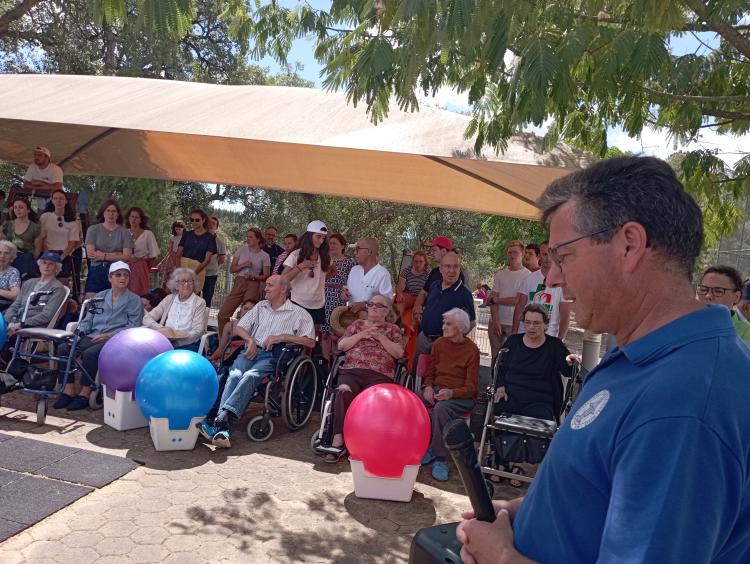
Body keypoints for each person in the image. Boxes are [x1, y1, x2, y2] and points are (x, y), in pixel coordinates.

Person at [457, 156, 750, 564]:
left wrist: (502, 558)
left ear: (629, 245)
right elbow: (596, 488)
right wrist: (520, 509)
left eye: (562, 256)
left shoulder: (682, 404)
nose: (554, 278)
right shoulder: (642, 355)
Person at [197, 275, 315, 448]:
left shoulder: (298, 314)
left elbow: (310, 342)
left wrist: (281, 337)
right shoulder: (260, 306)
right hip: (251, 350)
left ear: (283, 289)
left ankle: (221, 421)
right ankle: (223, 425)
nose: (265, 288)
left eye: (270, 285)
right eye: (266, 285)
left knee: (250, 376)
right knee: (235, 374)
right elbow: (240, 327)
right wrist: (250, 340)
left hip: (273, 355)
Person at [494, 303, 575, 486]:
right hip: (511, 395)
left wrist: (572, 361)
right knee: (500, 411)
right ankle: (501, 460)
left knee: (540, 417)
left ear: (546, 325)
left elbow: (569, 371)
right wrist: (500, 386)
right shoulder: (513, 342)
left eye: (537, 323)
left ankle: (520, 464)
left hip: (541, 400)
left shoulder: (555, 346)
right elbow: (499, 366)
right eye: (528, 322)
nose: (531, 327)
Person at [324, 293, 404, 462]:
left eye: (379, 305)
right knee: (343, 391)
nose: (373, 307)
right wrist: (362, 335)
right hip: (352, 371)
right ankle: (338, 438)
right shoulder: (357, 324)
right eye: (371, 304)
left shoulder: (392, 329)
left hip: (379, 374)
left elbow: (399, 353)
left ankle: (367, 442)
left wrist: (381, 338)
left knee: (375, 402)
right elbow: (342, 345)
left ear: (386, 311)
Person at [54, 261, 143, 411]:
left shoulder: (134, 300)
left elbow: (133, 326)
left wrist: (109, 335)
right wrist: (79, 332)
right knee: (64, 348)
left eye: (126, 276)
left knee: (90, 354)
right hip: (92, 335)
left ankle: (85, 392)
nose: (122, 278)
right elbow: (88, 319)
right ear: (110, 278)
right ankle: (68, 390)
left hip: (116, 340)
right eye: (118, 275)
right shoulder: (100, 296)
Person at [420, 308, 479, 481]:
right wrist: (428, 387)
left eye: (448, 323)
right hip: (438, 390)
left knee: (441, 409)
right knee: (412, 401)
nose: (443, 327)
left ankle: (440, 458)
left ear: (461, 328)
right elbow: (430, 372)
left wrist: (451, 393)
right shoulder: (439, 344)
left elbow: (471, 387)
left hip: (461, 397)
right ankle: (418, 447)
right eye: (444, 323)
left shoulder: (472, 351)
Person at [415, 251, 476, 369]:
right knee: (416, 373)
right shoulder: (434, 286)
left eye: (455, 266)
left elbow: (472, 322)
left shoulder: (464, 294)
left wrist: (453, 339)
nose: (452, 271)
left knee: (437, 377)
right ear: (441, 269)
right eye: (448, 266)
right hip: (424, 338)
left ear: (459, 269)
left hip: (444, 345)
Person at [511, 241, 571, 339]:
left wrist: (560, 340)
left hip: (549, 335)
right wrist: (514, 332)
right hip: (525, 333)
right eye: (544, 254)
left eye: (551, 254)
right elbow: (520, 306)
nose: (548, 258)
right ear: (539, 256)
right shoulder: (528, 279)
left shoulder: (563, 282)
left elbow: (565, 314)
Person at [216, 227, 270, 335]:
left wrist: (254, 277)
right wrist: (243, 265)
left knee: (248, 315)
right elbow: (232, 269)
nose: (248, 239)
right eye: (247, 237)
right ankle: (224, 341)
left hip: (254, 284)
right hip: (240, 281)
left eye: (251, 237)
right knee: (223, 314)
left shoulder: (265, 255)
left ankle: (243, 343)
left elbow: (266, 276)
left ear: (258, 239)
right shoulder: (242, 250)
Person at [142, 268, 207, 351]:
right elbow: (147, 318)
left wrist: (179, 340)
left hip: (188, 345)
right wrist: (161, 329)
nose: (186, 284)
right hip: (166, 341)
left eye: (190, 281)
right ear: (176, 285)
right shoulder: (169, 299)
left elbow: (198, 331)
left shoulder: (199, 302)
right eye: (182, 281)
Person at [487, 240, 528, 369]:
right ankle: (493, 384)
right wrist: (495, 320)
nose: (512, 255)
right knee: (495, 357)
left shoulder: (528, 276)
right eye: (509, 252)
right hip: (497, 321)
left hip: (515, 323)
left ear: (522, 253)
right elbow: (492, 299)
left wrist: (496, 300)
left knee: (512, 357)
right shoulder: (500, 274)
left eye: (515, 252)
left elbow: (518, 300)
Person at [4, 252, 67, 334]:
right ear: (39, 265)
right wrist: (10, 321)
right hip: (16, 322)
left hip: (34, 325)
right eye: (44, 263)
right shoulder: (29, 283)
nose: (46, 266)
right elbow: (15, 305)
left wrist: (22, 324)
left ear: (57, 268)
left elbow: (46, 315)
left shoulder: (58, 288)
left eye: (51, 264)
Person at [282, 220, 331, 327]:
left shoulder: (325, 256)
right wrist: (301, 266)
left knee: (313, 338)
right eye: (318, 237)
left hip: (318, 303)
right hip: (298, 302)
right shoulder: (295, 255)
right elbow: (283, 279)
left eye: (323, 238)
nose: (321, 240)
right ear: (310, 236)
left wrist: (320, 281)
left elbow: (332, 270)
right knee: (296, 337)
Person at [84, 199, 134, 297]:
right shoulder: (93, 229)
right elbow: (91, 254)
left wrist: (104, 256)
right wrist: (117, 254)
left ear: (118, 214)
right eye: (108, 211)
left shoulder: (124, 232)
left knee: (115, 301)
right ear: (103, 213)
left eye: (113, 211)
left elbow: (127, 256)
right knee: (92, 302)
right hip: (97, 270)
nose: (111, 214)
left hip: (118, 271)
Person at [412, 236, 467, 320]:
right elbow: (423, 293)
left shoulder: (457, 276)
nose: (431, 253)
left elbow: (449, 303)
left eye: (434, 250)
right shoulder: (434, 272)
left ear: (443, 251)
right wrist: (417, 307)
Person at [697, 265, 750, 347]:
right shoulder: (685, 322)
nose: (708, 296)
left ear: (736, 297)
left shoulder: (745, 332)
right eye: (703, 289)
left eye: (718, 291)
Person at [321, 233, 356, 358]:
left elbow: (352, 282)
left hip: (337, 297)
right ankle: (325, 363)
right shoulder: (323, 259)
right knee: (324, 334)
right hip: (321, 296)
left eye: (335, 243)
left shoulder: (348, 262)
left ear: (342, 246)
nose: (331, 246)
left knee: (335, 334)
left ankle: (335, 364)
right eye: (330, 243)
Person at [39, 190, 82, 288]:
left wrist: (60, 259)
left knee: (62, 286)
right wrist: (48, 256)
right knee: (45, 284)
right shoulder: (45, 217)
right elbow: (42, 238)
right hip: (47, 254)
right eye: (56, 198)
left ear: (66, 201)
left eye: (61, 198)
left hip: (64, 255)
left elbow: (72, 243)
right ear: (52, 201)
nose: (58, 201)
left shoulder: (72, 220)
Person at [341, 237, 393, 312]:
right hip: (351, 319)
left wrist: (366, 304)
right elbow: (347, 290)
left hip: (371, 321)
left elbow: (388, 301)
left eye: (358, 249)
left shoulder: (382, 274)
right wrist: (344, 293)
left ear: (369, 251)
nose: (355, 253)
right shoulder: (354, 270)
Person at [175, 209, 216, 294]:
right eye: (192, 220)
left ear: (203, 220)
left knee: (192, 298)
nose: (194, 222)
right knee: (178, 297)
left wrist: (193, 273)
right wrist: (180, 272)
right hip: (182, 268)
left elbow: (207, 260)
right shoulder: (186, 234)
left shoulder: (209, 238)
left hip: (198, 270)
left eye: (197, 220)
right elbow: (178, 254)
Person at [3, 197, 42, 280]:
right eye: (15, 207)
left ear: (28, 210)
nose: (17, 210)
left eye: (21, 207)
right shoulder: (7, 225)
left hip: (26, 261)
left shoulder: (35, 227)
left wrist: (30, 263)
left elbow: (38, 249)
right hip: (8, 260)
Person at [210, 299, 257, 365]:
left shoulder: (257, 328)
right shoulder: (230, 325)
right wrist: (210, 359)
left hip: (247, 359)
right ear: (241, 310)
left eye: (251, 310)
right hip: (230, 358)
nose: (247, 312)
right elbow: (221, 348)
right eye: (245, 308)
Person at [126, 207, 159, 296]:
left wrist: (145, 268)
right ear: (128, 218)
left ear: (141, 220)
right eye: (132, 216)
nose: (134, 219)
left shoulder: (148, 234)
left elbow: (153, 255)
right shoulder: (124, 233)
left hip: (142, 266)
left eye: (136, 217)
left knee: (141, 295)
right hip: (125, 268)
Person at [395, 250, 429, 318]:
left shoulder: (428, 272)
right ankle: (396, 322)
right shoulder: (406, 271)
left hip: (422, 297)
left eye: (421, 262)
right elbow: (400, 286)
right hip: (409, 295)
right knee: (400, 302)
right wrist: (399, 294)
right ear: (412, 261)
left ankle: (417, 326)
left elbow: (430, 289)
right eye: (416, 261)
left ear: (425, 262)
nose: (418, 264)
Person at [203, 216, 227, 308]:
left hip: (211, 275)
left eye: (214, 223)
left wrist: (212, 266)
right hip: (197, 272)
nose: (211, 225)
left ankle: (204, 321)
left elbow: (222, 259)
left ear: (217, 227)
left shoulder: (220, 242)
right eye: (209, 222)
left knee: (207, 299)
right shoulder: (199, 237)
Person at [157, 220, 185, 289]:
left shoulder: (185, 238)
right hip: (171, 258)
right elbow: (169, 251)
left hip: (181, 258)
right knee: (168, 276)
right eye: (176, 229)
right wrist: (162, 262)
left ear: (183, 229)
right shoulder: (173, 237)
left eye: (179, 229)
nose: (178, 231)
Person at [0, 241, 21, 311]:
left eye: (6, 253)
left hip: (3, 307)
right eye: (0, 252)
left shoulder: (12, 272)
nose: (2, 256)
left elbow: (15, 295)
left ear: (11, 258)